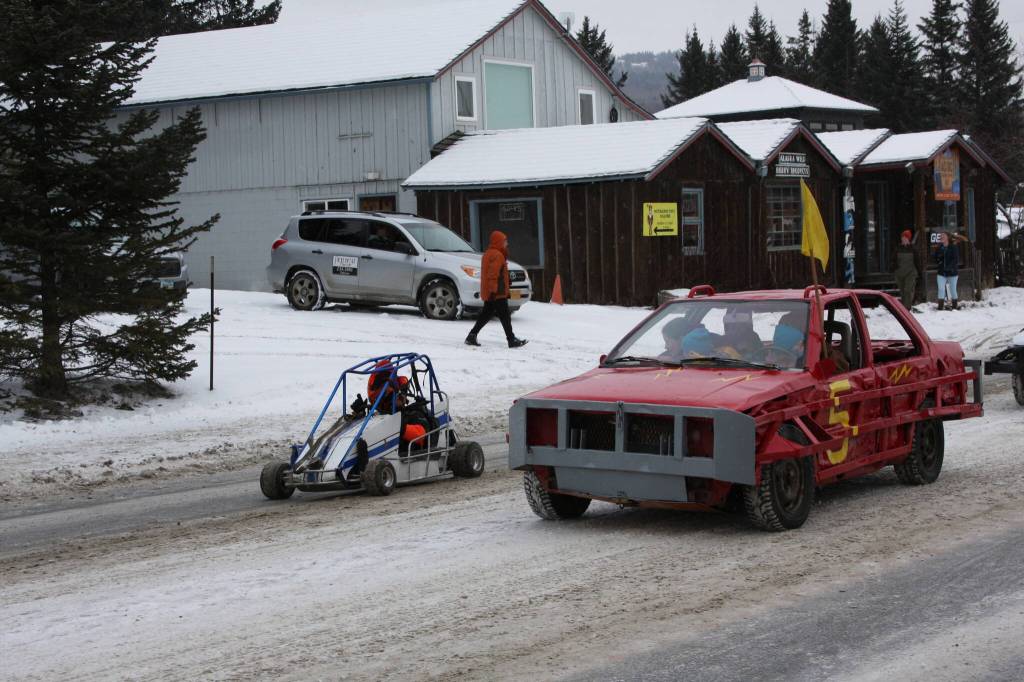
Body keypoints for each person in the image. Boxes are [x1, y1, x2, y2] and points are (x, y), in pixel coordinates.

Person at [465, 230, 527, 348]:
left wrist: (505, 280)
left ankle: (472, 335)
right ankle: (511, 340)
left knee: (486, 314)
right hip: (497, 292)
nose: (506, 243)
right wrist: (493, 291)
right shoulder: (497, 255)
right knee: (505, 317)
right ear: (498, 242)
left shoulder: (489, 253)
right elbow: (493, 275)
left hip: (492, 291)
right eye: (504, 241)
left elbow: (496, 273)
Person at [892, 229, 918, 310]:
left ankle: (907, 308)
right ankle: (904, 308)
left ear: (908, 239)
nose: (903, 239)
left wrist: (918, 272)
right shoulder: (897, 248)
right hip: (899, 273)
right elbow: (893, 260)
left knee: (908, 290)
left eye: (905, 237)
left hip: (910, 272)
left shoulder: (913, 249)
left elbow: (917, 261)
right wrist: (894, 268)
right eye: (902, 237)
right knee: (902, 291)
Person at [934, 231, 960, 310]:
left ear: (947, 237)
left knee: (953, 289)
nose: (941, 237)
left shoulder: (953, 247)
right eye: (940, 236)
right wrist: (938, 258)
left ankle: (955, 306)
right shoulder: (939, 247)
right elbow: (936, 258)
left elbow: (955, 260)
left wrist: (949, 267)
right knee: (941, 289)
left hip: (952, 272)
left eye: (943, 236)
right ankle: (940, 307)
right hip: (941, 272)